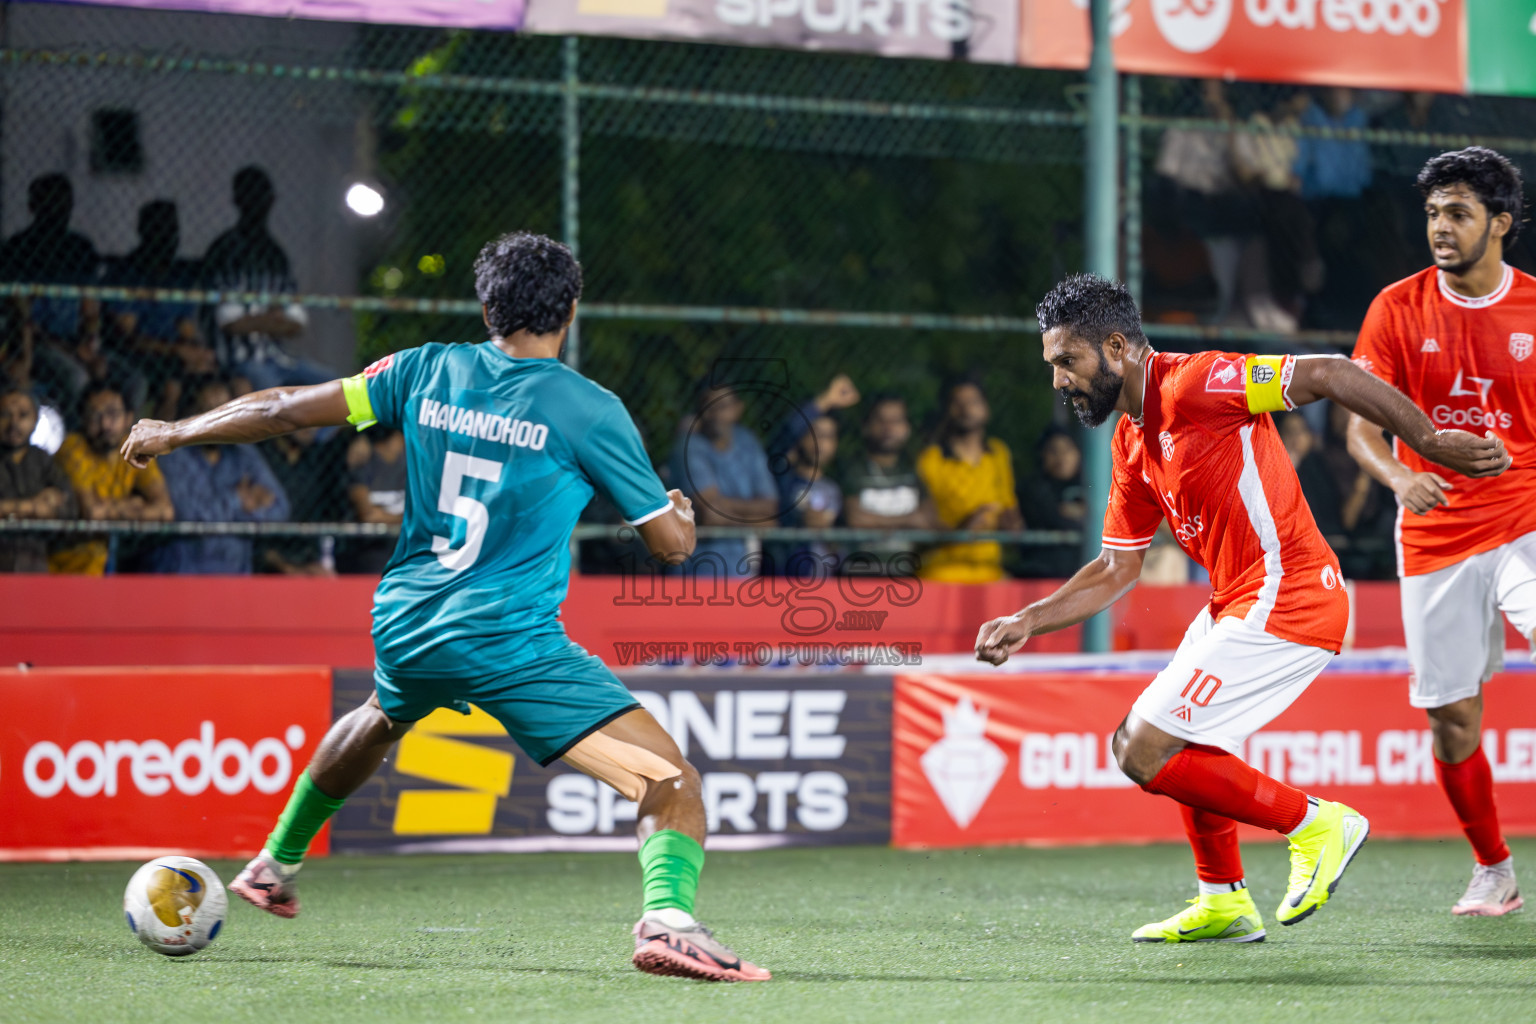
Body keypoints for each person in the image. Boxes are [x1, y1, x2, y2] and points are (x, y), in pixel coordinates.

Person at [120, 230, 769, 982]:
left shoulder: (423, 368)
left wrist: (175, 430)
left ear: (487, 308)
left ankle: (274, 864)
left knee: (382, 714)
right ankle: (670, 923)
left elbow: (286, 408)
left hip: (409, 622)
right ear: (571, 311)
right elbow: (671, 547)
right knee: (669, 780)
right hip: (507, 641)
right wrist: (681, 514)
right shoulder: (589, 410)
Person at [975, 273, 1507, 944]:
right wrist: (1028, 619)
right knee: (1184, 742)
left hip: (1289, 595)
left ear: (1114, 347)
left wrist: (1427, 440)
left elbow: (1331, 372)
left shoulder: (1198, 383)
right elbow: (1116, 567)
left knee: (1142, 747)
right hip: (1237, 601)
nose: (1059, 380)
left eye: (1066, 361)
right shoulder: (1132, 441)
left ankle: (1318, 825)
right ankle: (1224, 900)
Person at [1345, 147, 1536, 916]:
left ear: (1501, 223)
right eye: (1432, 213)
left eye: (1458, 213)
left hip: (1525, 520)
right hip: (1435, 535)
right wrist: (1400, 478)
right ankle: (1493, 869)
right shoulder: (1397, 308)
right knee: (1452, 719)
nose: (1441, 228)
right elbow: (1361, 430)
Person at [203, 166, 335, 391]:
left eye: (262, 197)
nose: (258, 204)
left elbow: (297, 321)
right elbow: (229, 321)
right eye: (251, 196)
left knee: (334, 385)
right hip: (239, 359)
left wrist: (255, 319)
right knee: (271, 392)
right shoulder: (225, 250)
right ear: (238, 200)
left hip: (278, 358)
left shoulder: (275, 256)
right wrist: (273, 319)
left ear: (271, 200)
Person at [151, 376, 291, 574]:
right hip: (185, 572)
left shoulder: (244, 453)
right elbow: (185, 515)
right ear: (190, 414)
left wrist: (220, 511)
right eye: (208, 412)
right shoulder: (173, 455)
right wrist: (238, 501)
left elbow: (280, 508)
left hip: (234, 574)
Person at [51, 384, 173, 574]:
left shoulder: (135, 447)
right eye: (95, 416)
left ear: (128, 418)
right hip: (70, 561)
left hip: (115, 556)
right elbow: (93, 513)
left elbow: (165, 510)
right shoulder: (73, 448)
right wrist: (135, 505)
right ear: (83, 419)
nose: (105, 424)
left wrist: (111, 509)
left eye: (113, 414)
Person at [917, 376, 1022, 582]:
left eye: (973, 402)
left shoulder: (998, 453)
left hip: (989, 569)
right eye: (958, 403)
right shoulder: (931, 459)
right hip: (942, 570)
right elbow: (924, 522)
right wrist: (964, 529)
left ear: (986, 408)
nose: (966, 409)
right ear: (947, 410)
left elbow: (1009, 509)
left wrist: (1012, 523)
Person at [669, 382, 778, 577]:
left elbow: (770, 506)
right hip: (695, 575)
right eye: (709, 408)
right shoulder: (688, 447)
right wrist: (758, 521)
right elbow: (709, 513)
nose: (716, 415)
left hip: (741, 575)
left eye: (723, 407)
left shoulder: (748, 443)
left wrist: (724, 511)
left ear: (738, 408)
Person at [841, 393, 934, 575]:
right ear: (866, 426)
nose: (888, 428)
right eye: (881, 420)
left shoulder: (915, 473)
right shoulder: (853, 471)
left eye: (896, 420)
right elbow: (855, 519)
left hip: (905, 575)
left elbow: (927, 520)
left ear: (907, 428)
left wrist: (875, 521)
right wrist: (907, 520)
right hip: (859, 576)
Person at [0, 386, 74, 571]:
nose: (14, 423)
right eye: (5, 415)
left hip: (34, 560)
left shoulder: (43, 460)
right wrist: (33, 507)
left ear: (35, 420)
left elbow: (67, 505)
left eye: (23, 415)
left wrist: (8, 508)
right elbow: (47, 506)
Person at [1018, 426, 1087, 578]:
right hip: (1042, 571)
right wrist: (1085, 516)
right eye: (1053, 451)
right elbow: (1051, 518)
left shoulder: (1092, 487)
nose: (1061, 457)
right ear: (1041, 455)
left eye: (1067, 449)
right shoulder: (1032, 488)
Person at [338, 426, 406, 575]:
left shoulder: (415, 463)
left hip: (407, 546)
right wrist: (408, 520)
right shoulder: (364, 461)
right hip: (371, 550)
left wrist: (387, 517)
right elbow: (369, 515)